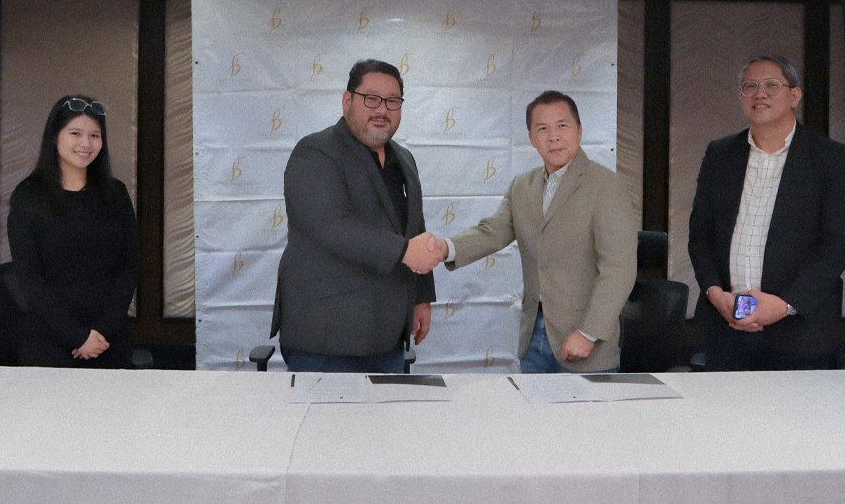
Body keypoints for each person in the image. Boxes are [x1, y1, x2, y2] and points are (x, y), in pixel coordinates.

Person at [440, 90, 636, 373]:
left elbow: (619, 269)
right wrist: (445, 248)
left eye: (562, 125)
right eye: (542, 128)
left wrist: (589, 333)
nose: (553, 136)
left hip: (586, 344)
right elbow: (493, 232)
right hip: (533, 338)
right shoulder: (522, 186)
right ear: (531, 137)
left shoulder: (606, 186)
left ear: (579, 131)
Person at [689, 55, 845, 371]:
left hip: (799, 331)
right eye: (750, 86)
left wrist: (784, 305)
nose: (760, 94)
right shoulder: (720, 154)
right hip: (726, 326)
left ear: (794, 96)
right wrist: (715, 294)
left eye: (771, 85)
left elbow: (837, 245)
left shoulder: (830, 158)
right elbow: (700, 235)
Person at [270, 59, 438, 373]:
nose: (382, 109)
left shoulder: (405, 159)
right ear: (347, 100)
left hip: (387, 337)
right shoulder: (315, 152)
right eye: (371, 98)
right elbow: (330, 224)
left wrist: (421, 297)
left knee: (387, 408)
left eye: (392, 101)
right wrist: (404, 251)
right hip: (324, 339)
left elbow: (415, 227)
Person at [8, 94, 140, 368]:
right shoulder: (29, 196)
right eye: (75, 134)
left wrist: (102, 332)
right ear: (54, 136)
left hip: (109, 340)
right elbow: (29, 276)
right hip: (50, 340)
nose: (86, 144)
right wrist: (77, 336)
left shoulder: (116, 194)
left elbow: (129, 266)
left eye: (95, 135)